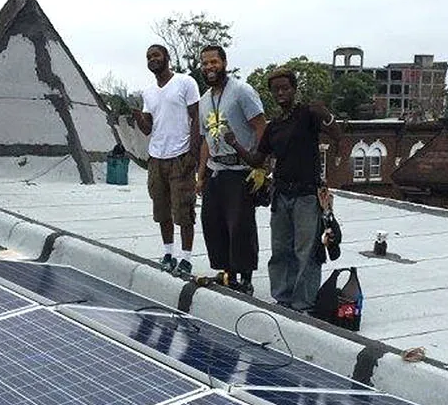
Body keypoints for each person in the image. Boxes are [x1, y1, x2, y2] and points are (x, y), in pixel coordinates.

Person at [225, 66, 341, 310]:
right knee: (280, 251)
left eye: (285, 88)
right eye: (276, 89)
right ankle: (283, 298)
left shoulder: (308, 115)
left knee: (306, 252)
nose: (281, 93)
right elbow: (258, 160)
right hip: (281, 194)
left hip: (307, 195)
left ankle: (303, 303)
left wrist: (326, 115)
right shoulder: (274, 126)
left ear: (294, 89)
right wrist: (235, 143)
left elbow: (337, 134)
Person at [196, 45, 266, 294]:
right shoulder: (205, 100)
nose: (209, 67)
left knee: (240, 225)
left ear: (224, 63)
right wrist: (201, 175)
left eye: (213, 62)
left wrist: (260, 163)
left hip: (240, 167)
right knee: (213, 222)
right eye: (204, 63)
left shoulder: (241, 91)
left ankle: (245, 277)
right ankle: (227, 272)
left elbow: (260, 126)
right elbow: (205, 139)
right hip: (216, 168)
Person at [133, 44, 201, 276]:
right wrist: (138, 117)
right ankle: (168, 253)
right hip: (156, 158)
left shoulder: (185, 82)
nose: (153, 59)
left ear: (167, 58)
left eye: (156, 55)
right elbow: (148, 128)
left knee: (184, 210)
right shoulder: (149, 92)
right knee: (161, 210)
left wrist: (193, 153)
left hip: (180, 156)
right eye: (149, 56)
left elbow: (196, 117)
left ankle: (186, 258)